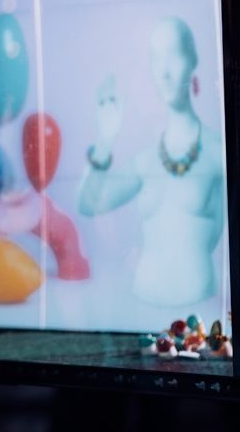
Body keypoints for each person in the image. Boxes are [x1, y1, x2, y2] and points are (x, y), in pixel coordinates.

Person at [77, 17, 224, 306]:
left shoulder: (218, 152)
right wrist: (106, 140)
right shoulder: (147, 160)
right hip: (140, 310)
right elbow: (89, 204)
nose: (165, 71)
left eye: (174, 55)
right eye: (156, 59)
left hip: (202, 316)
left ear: (192, 60)